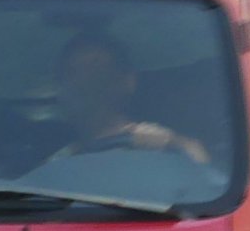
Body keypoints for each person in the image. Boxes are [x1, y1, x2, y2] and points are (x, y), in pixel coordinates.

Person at [49, 34, 210, 164]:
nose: (82, 82)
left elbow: (205, 173)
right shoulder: (61, 161)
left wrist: (175, 142)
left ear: (127, 81)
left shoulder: (158, 142)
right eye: (71, 73)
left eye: (96, 71)